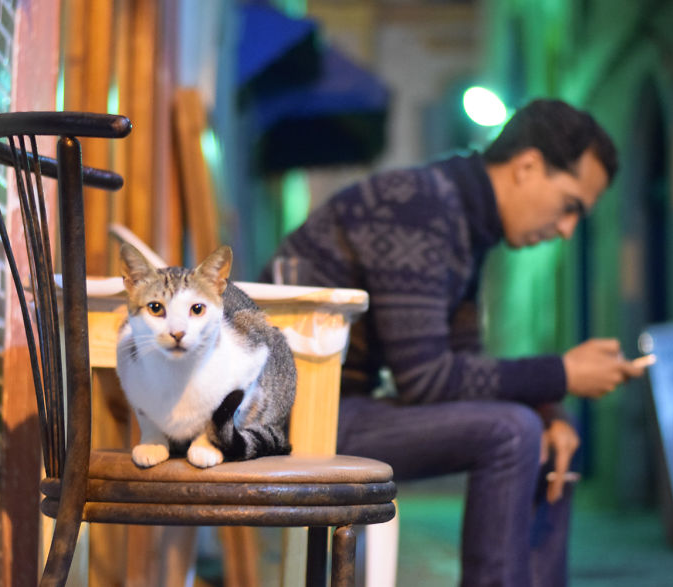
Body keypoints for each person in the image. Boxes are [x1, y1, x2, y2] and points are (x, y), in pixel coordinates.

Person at [261, 99, 649, 586]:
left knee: (544, 433)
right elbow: (427, 379)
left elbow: (463, 369)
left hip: (336, 408)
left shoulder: (465, 223)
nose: (569, 230)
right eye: (570, 206)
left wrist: (551, 408)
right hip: (287, 418)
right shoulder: (419, 205)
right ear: (527, 167)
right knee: (512, 431)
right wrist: (563, 374)